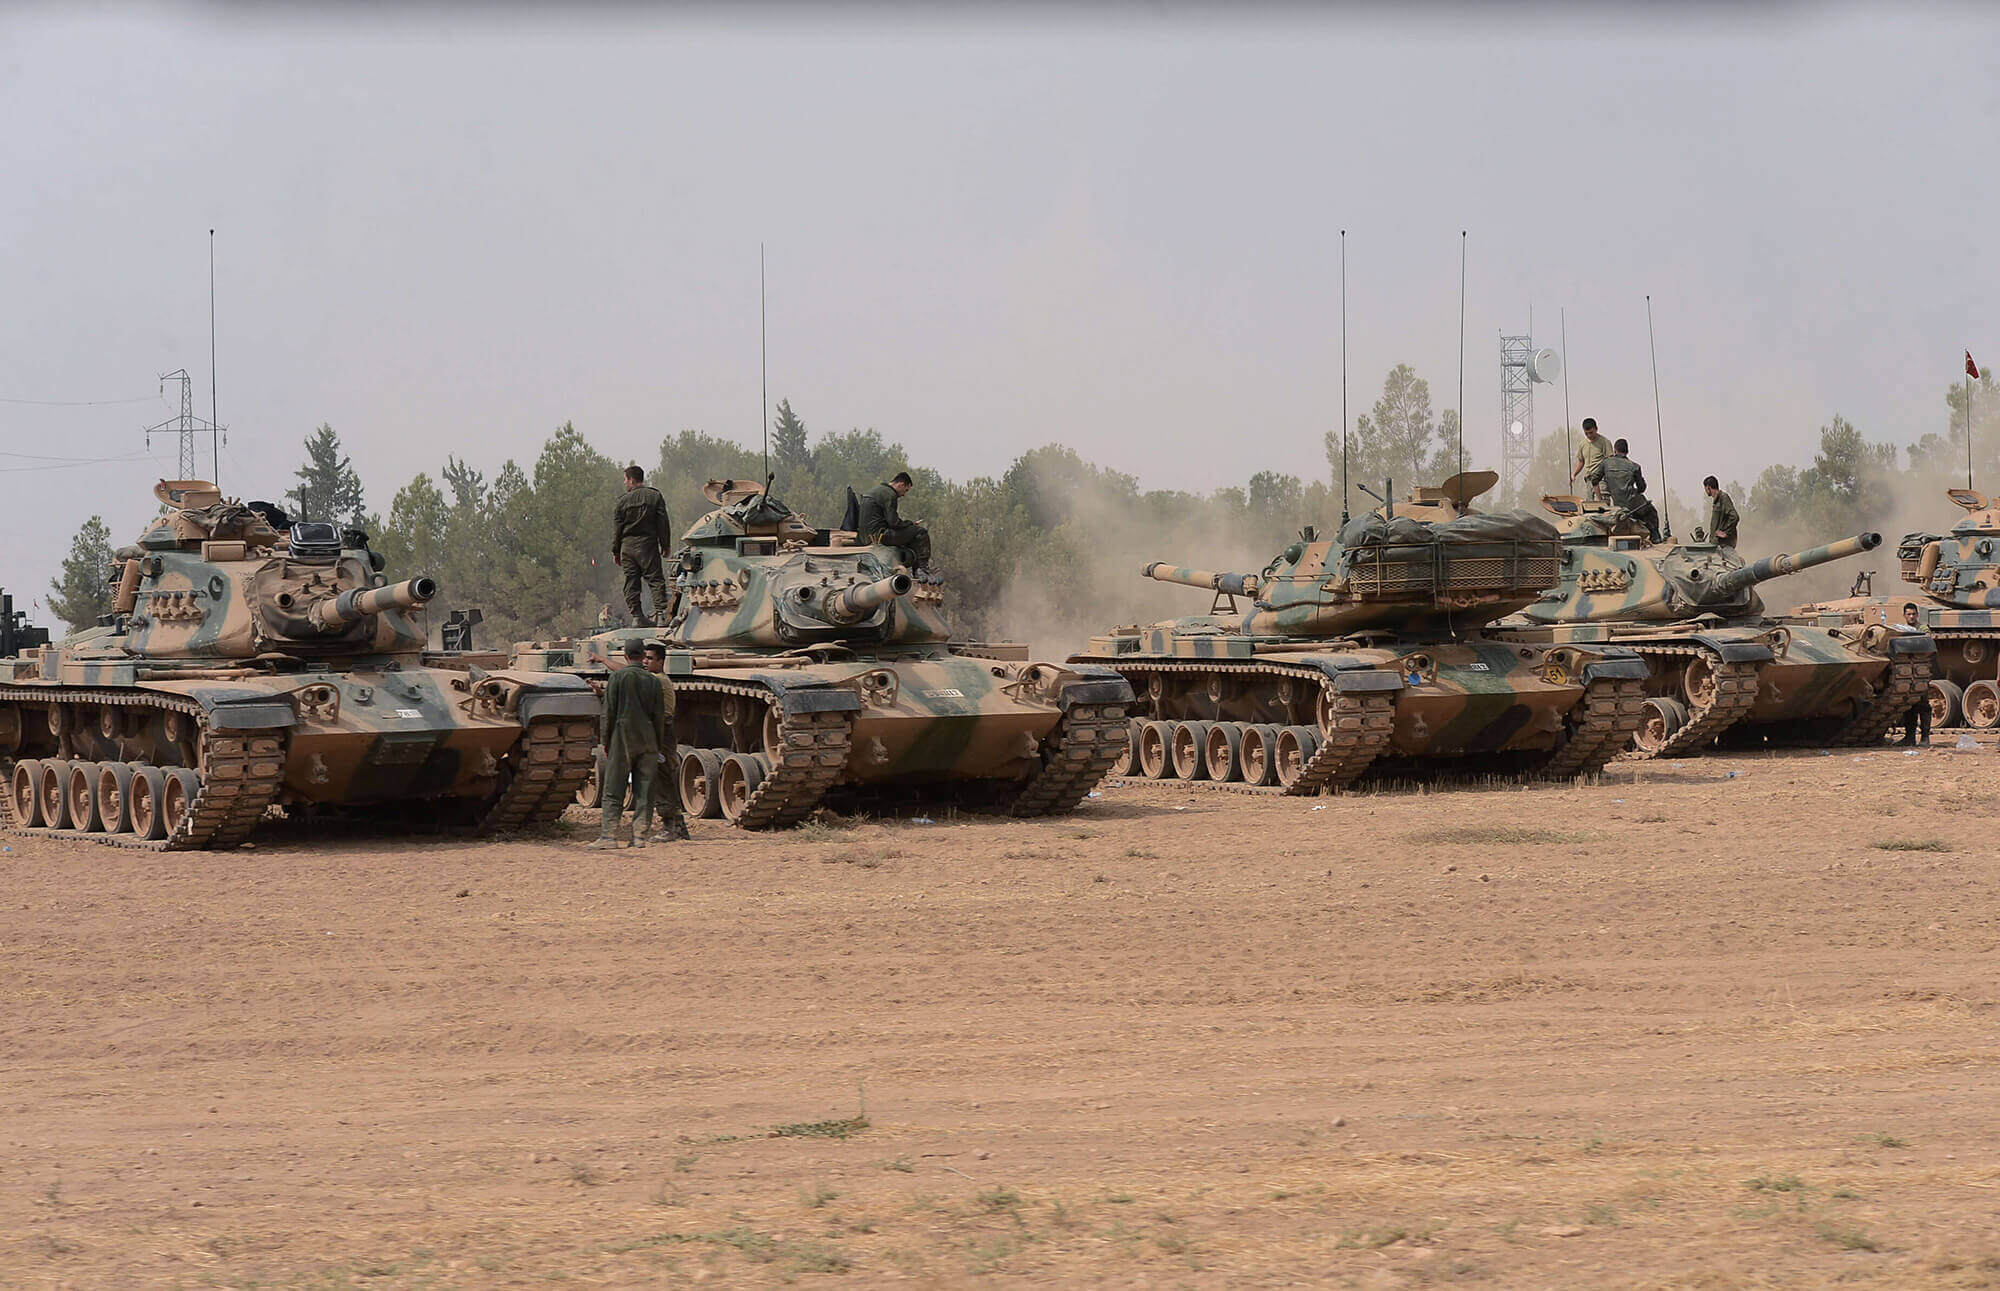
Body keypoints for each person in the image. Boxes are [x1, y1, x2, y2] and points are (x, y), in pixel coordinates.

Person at [589, 638, 670, 849]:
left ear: (625, 655)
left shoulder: (617, 677)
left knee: (614, 787)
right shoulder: (653, 680)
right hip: (649, 738)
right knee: (645, 789)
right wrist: (658, 744)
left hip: (622, 735)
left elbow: (608, 712)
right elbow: (659, 716)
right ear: (643, 656)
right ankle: (640, 836)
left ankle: (608, 836)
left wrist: (605, 742)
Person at [611, 465, 673, 627]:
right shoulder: (654, 497)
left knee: (631, 582)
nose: (625, 483)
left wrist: (616, 551)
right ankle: (661, 616)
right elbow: (663, 523)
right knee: (655, 579)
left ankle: (637, 617)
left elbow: (617, 530)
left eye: (625, 479)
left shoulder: (622, 502)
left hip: (627, 548)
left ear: (632, 479)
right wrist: (665, 545)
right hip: (647, 545)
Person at [641, 640, 690, 840]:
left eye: (650, 658)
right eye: (644, 657)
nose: (645, 662)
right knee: (664, 779)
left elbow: (629, 675)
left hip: (661, 732)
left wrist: (602, 659)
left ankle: (671, 828)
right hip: (662, 730)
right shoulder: (656, 678)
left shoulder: (658, 679)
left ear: (661, 661)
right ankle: (678, 827)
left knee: (661, 779)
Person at [1586, 438, 1662, 543]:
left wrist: (1600, 500)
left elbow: (1594, 480)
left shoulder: (1606, 463)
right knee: (1651, 512)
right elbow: (1642, 488)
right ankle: (1655, 537)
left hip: (1618, 505)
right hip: (1634, 505)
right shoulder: (1634, 466)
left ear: (1615, 450)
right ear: (1627, 451)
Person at [856, 470, 932, 570]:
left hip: (863, 537)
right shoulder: (890, 494)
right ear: (901, 484)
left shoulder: (873, 491)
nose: (904, 494)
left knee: (910, 532)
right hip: (879, 536)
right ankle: (923, 569)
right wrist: (910, 524)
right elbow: (893, 523)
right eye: (906, 490)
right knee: (920, 532)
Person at [1896, 603, 1933, 747]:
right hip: (1905, 671)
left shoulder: (1922, 629)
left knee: (1923, 704)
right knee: (1909, 705)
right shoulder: (1903, 629)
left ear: (1917, 615)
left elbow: (1929, 642)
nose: (1911, 616)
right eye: (1908, 614)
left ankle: (1925, 737)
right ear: (1905, 615)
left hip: (1920, 671)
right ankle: (1909, 737)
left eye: (1913, 614)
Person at [1571, 419, 1609, 495]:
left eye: (1591, 433)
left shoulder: (1604, 442)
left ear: (1596, 429)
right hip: (1589, 480)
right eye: (1586, 433)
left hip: (1600, 480)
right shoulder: (1582, 444)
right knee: (1590, 505)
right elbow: (1581, 461)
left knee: (1601, 504)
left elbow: (1610, 461)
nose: (1589, 435)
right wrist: (1574, 474)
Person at [1704, 476, 1739, 548]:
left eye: (1705, 488)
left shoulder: (1723, 498)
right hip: (1718, 544)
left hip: (1724, 544)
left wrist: (1726, 532)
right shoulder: (1717, 501)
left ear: (1708, 487)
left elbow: (1735, 517)